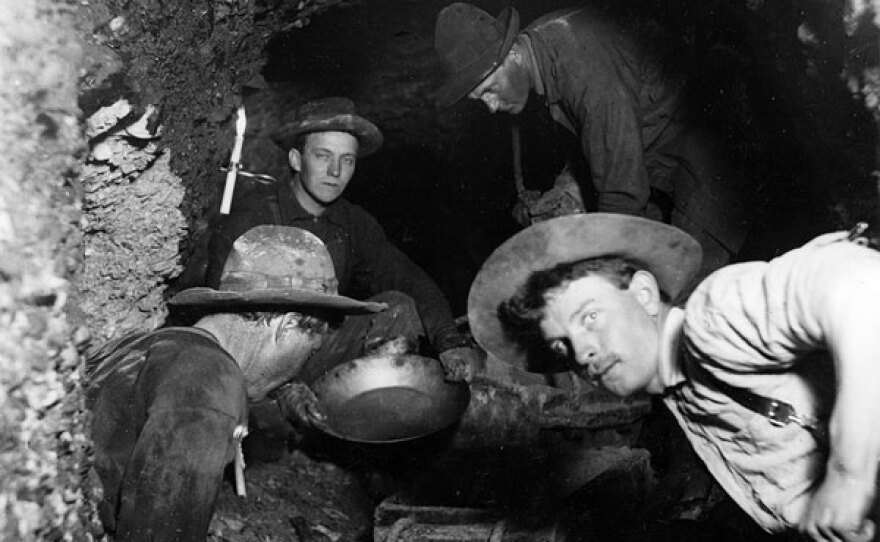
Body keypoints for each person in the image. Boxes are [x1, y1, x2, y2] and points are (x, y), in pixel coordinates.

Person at [468, 212, 880, 542]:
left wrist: (849, 474)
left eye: (590, 316)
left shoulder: (711, 321)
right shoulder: (679, 395)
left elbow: (862, 283)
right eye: (561, 345)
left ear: (644, 294)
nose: (581, 351)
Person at [86, 225, 385, 541]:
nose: (297, 371)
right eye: (309, 352)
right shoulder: (213, 381)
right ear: (287, 326)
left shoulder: (147, 344)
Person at [433, 3, 755, 276]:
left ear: (513, 54)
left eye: (489, 89)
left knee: (683, 299)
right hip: (658, 162)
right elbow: (594, 140)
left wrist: (602, 275)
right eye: (480, 99)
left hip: (712, 163)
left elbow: (622, 190)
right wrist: (568, 188)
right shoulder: (541, 48)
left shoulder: (580, 68)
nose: (491, 107)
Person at [205, 97, 479, 383]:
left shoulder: (353, 222)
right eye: (323, 156)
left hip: (319, 349)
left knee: (398, 307)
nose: (335, 172)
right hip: (257, 361)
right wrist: (282, 390)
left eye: (346, 160)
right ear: (296, 160)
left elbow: (408, 278)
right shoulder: (252, 218)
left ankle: (373, 409)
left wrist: (449, 341)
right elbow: (222, 326)